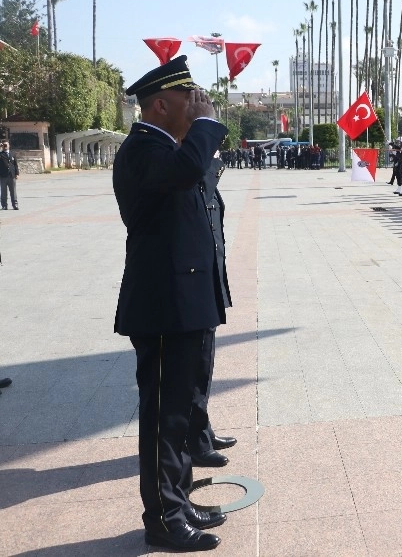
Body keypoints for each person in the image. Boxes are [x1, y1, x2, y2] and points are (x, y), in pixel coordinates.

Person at [115, 56, 229, 551]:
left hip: (182, 302)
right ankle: (162, 517)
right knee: (163, 417)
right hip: (163, 305)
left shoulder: (166, 147)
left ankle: (177, 501)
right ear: (161, 105)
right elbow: (185, 171)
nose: (200, 105)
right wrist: (207, 125)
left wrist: (198, 128)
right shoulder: (143, 149)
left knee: (178, 415)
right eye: (191, 99)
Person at [187, 153, 238, 468]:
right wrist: (208, 161)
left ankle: (202, 430)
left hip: (207, 285)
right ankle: (195, 440)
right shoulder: (189, 173)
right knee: (193, 369)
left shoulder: (200, 174)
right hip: (192, 289)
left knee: (203, 366)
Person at [0, 140, 19, 210]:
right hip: (3, 176)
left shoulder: (13, 154)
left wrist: (17, 173)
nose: (5, 146)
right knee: (3, 192)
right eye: (4, 145)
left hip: (12, 175)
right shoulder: (1, 154)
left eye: (6, 145)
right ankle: (4, 205)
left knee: (13, 191)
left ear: (9, 145)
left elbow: (15, 165)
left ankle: (15, 205)